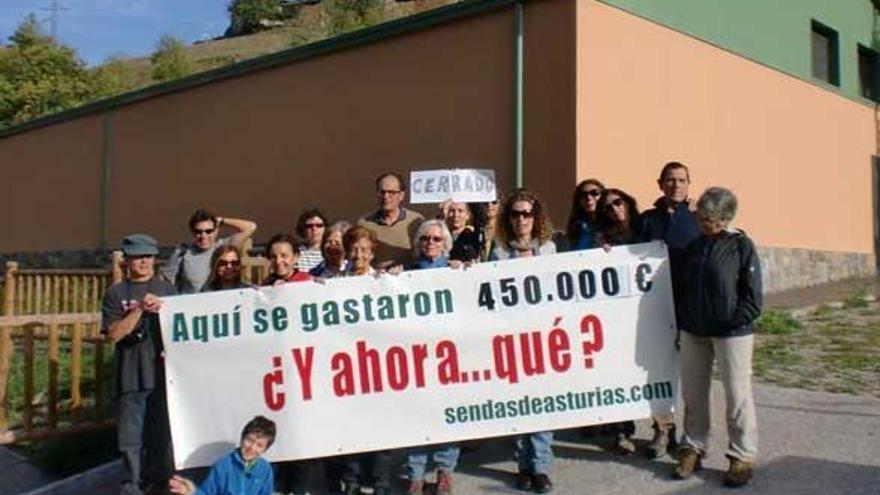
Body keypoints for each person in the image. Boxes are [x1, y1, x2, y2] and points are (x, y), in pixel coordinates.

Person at [673, 187, 761, 488]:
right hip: (693, 331)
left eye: (705, 217)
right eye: (699, 215)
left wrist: (729, 322)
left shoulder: (741, 246)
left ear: (722, 218)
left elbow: (752, 298)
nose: (699, 220)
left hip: (731, 333)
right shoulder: (696, 247)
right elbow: (682, 287)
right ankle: (693, 447)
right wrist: (684, 321)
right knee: (693, 394)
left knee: (737, 395)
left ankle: (742, 456)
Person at [489, 189, 555, 494]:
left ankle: (540, 466)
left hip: (543, 337)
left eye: (526, 213)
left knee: (542, 403)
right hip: (511, 339)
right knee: (519, 405)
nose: (521, 219)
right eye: (515, 214)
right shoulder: (499, 252)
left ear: (536, 217)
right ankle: (523, 465)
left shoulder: (550, 249)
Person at [102, 234, 177, 495]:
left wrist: (162, 307)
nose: (144, 261)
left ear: (155, 259)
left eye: (148, 256)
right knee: (130, 442)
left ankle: (159, 485)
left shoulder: (167, 290)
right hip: (130, 378)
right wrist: (139, 310)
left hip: (162, 378)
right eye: (138, 257)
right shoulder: (115, 292)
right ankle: (131, 487)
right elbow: (113, 334)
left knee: (161, 439)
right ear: (127, 260)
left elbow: (180, 332)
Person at [639, 162, 700, 458]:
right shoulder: (648, 220)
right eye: (670, 180)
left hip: (689, 306)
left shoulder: (700, 220)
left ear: (689, 184)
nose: (676, 185)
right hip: (655, 306)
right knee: (658, 370)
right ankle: (662, 430)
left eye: (682, 180)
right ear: (660, 184)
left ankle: (691, 437)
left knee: (690, 372)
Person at [404, 220, 461, 495]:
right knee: (417, 414)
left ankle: (444, 472)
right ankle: (415, 475)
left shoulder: (457, 271)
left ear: (445, 244)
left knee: (447, 414)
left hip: (449, 355)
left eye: (437, 239)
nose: (431, 243)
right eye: (425, 238)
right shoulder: (405, 274)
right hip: (416, 355)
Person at [595, 188, 641, 455]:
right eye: (607, 207)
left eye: (618, 202)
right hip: (616, 315)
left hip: (647, 312)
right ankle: (623, 430)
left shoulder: (645, 229)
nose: (614, 209)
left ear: (628, 202)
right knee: (619, 371)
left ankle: (664, 430)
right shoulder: (603, 238)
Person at [168, 416, 276, 495]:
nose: (252, 448)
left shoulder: (265, 469)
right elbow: (207, 492)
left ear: (265, 449)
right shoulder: (223, 465)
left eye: (259, 445)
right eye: (249, 440)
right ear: (242, 438)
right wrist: (192, 492)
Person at [163, 208, 257, 294]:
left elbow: (251, 227)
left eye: (209, 231)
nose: (204, 236)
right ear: (192, 232)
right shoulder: (182, 252)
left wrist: (221, 220)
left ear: (216, 231)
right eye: (198, 232)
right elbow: (165, 282)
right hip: (193, 308)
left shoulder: (223, 247)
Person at [358, 172, 424, 269]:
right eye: (382, 192)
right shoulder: (365, 224)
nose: (386, 196)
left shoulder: (416, 221)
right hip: (376, 280)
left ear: (401, 195)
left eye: (391, 192)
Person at [565, 179, 605, 251]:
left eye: (594, 193)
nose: (588, 198)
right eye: (583, 195)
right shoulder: (576, 228)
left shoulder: (613, 227)